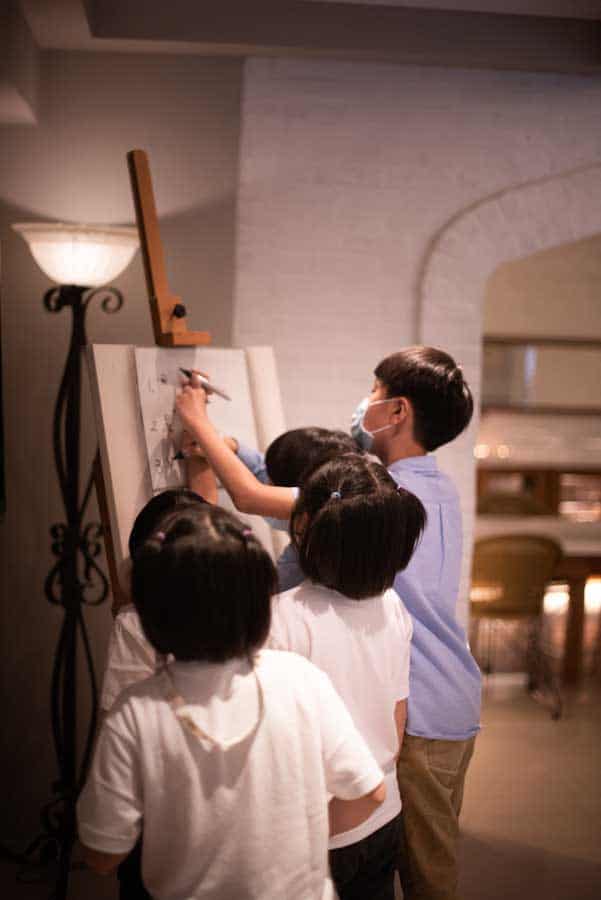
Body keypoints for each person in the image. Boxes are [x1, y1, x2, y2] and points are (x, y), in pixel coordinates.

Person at [78, 503, 386, 900]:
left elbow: (102, 853)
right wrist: (293, 841)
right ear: (260, 600)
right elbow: (370, 792)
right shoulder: (301, 680)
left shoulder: (135, 713)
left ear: (151, 611)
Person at [351, 346, 482, 900]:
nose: (365, 402)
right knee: (431, 862)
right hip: (454, 696)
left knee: (428, 877)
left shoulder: (392, 497)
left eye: (374, 392)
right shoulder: (436, 486)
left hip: (424, 713)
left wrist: (203, 430)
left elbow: (266, 499)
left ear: (398, 410)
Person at [269, 453, 426, 900]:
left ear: (303, 527)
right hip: (383, 809)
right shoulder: (392, 606)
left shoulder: (280, 618)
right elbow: (397, 718)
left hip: (316, 830)